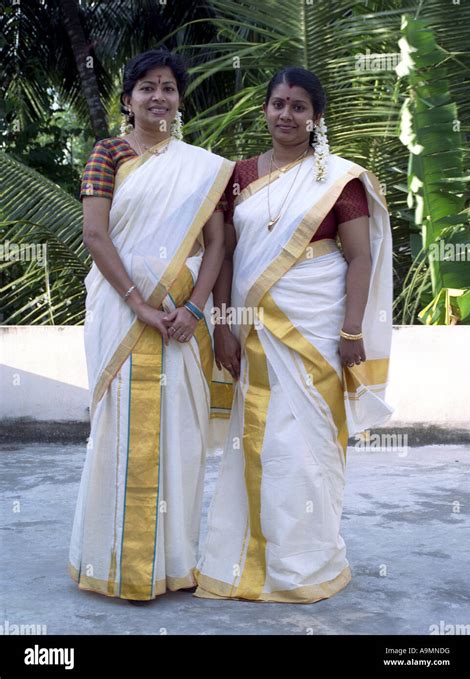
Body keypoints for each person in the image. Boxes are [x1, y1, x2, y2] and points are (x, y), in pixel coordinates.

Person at [194, 67, 393, 604]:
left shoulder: (340, 180)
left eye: (298, 106)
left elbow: (360, 258)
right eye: (277, 103)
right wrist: (224, 327)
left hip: (319, 331)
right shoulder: (236, 176)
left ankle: (304, 563)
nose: (286, 114)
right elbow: (227, 256)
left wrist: (353, 329)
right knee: (257, 442)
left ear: (316, 118)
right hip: (250, 331)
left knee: (307, 448)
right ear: (265, 109)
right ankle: (243, 561)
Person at [68, 48, 234, 603]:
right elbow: (96, 236)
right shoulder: (107, 153)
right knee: (117, 433)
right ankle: (114, 562)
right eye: (146, 87)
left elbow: (217, 243)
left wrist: (194, 309)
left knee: (180, 438)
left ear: (178, 100)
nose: (158, 96)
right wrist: (139, 303)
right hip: (122, 312)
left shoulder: (202, 166)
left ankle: (177, 562)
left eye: (167, 87)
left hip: (183, 319)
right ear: (128, 99)